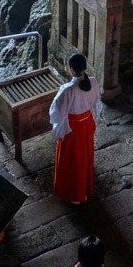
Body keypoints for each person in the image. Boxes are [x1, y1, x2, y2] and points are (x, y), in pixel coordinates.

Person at [50, 53, 102, 204]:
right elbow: (96, 106)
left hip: (72, 128)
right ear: (85, 67)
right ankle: (84, 190)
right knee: (84, 157)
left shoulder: (67, 90)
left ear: (72, 70)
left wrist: (59, 128)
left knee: (72, 160)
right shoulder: (93, 83)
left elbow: (56, 113)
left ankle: (73, 194)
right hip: (86, 123)